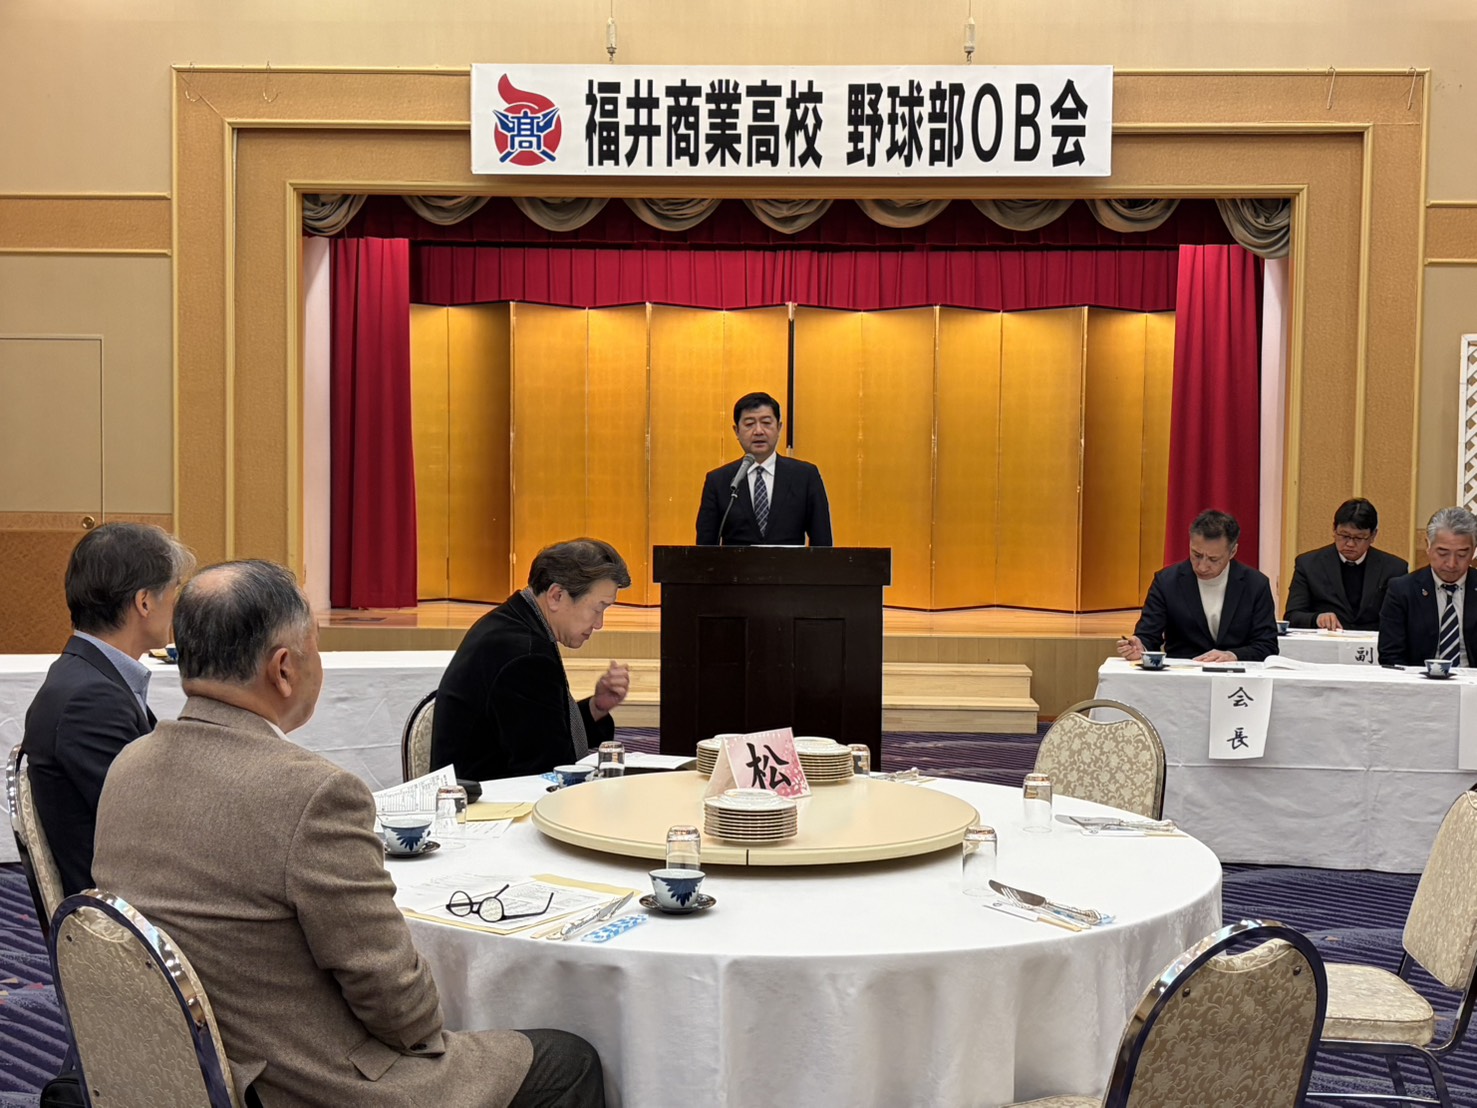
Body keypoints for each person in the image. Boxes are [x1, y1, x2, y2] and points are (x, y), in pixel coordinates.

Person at [92, 561, 605, 1107]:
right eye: (315, 645)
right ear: (283, 669)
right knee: (568, 1060)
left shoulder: (128, 765)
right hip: (304, 1085)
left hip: (173, 1069)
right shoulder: (311, 795)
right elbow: (402, 1010)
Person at [21, 521, 193, 896]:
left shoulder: (85, 676)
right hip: (124, 909)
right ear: (144, 602)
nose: (175, 606)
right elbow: (147, 829)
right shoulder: (91, 699)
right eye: (174, 591)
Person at [432, 539, 632, 781]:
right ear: (556, 595)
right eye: (598, 609)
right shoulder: (525, 657)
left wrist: (596, 708)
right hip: (487, 800)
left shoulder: (512, 624)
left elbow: (543, 732)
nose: (599, 623)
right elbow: (549, 770)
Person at [1117, 509, 1279, 663]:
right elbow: (1148, 635)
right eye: (1196, 555)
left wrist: (1233, 655)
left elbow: (1267, 645)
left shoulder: (1255, 584)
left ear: (1233, 552)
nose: (1202, 566)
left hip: (1235, 674)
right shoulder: (1166, 582)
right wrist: (1140, 647)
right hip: (1183, 672)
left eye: (1213, 559)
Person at [695, 391, 833, 546]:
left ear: (779, 428)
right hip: (736, 562)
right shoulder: (718, 481)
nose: (758, 431)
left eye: (766, 423)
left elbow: (822, 543)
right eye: (749, 424)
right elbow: (705, 547)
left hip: (789, 562)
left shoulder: (805, 476)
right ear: (736, 431)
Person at [1283, 498, 1408, 631]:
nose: (1350, 544)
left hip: (1375, 641)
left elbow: (1403, 619)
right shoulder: (1309, 565)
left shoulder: (1394, 568)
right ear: (1334, 530)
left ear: (1373, 536)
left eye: (1359, 538)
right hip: (1328, 640)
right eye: (1344, 535)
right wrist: (1316, 619)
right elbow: (1292, 616)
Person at [1378, 507, 1477, 668]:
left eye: (1462, 554)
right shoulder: (1402, 590)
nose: (1451, 564)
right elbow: (1391, 656)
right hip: (1418, 680)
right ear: (1428, 546)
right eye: (1443, 553)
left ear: (1473, 550)